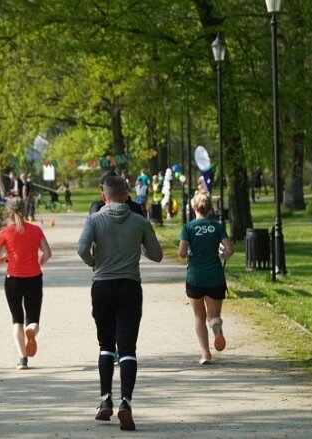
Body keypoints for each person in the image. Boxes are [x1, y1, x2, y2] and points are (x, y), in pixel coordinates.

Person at [77, 175, 164, 431]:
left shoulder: (94, 219)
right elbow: (157, 255)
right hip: (129, 286)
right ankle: (126, 402)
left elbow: (81, 248)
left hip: (102, 285)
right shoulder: (139, 221)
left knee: (106, 345)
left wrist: (93, 261)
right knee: (127, 348)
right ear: (127, 194)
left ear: (104, 195)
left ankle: (105, 399)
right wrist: (140, 245)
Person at [0, 197, 52, 370]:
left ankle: (22, 359)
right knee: (33, 319)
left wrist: (4, 259)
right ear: (24, 212)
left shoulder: (4, 233)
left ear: (8, 212)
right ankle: (31, 331)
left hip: (13, 280)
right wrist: (37, 263)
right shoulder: (36, 230)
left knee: (17, 320)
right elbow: (47, 253)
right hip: (34, 278)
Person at [177, 191, 234, 365]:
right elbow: (229, 250)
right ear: (209, 208)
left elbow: (181, 253)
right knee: (213, 315)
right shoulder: (217, 226)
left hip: (195, 277)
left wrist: (190, 253)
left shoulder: (188, 228)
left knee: (199, 317)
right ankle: (216, 324)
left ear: (194, 207)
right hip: (215, 276)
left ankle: (205, 354)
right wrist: (221, 257)